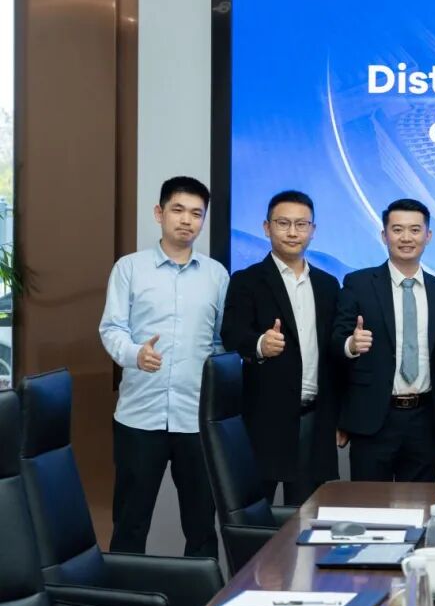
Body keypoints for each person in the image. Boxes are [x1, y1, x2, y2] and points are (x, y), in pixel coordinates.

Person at [99, 176, 227, 557]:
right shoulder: (129, 269)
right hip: (139, 417)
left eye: (196, 213)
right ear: (159, 213)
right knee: (130, 523)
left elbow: (220, 343)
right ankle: (124, 594)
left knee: (202, 527)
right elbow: (111, 329)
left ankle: (202, 596)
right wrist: (135, 354)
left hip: (195, 420)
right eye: (178, 210)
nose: (187, 220)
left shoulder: (217, 276)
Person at [221, 190, 342, 505]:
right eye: (283, 223)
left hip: (314, 420)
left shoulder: (328, 285)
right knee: (256, 515)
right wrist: (260, 344)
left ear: (313, 230)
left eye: (301, 224)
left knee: (306, 517)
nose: (292, 232)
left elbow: (333, 354)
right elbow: (231, 334)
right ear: (266, 227)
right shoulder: (247, 280)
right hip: (264, 422)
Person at [332, 198, 435, 482]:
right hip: (373, 417)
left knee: (419, 504)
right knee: (370, 504)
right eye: (397, 230)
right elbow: (336, 342)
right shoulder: (358, 283)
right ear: (384, 235)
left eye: (415, 230)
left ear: (428, 236)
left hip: (425, 420)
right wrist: (351, 345)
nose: (406, 238)